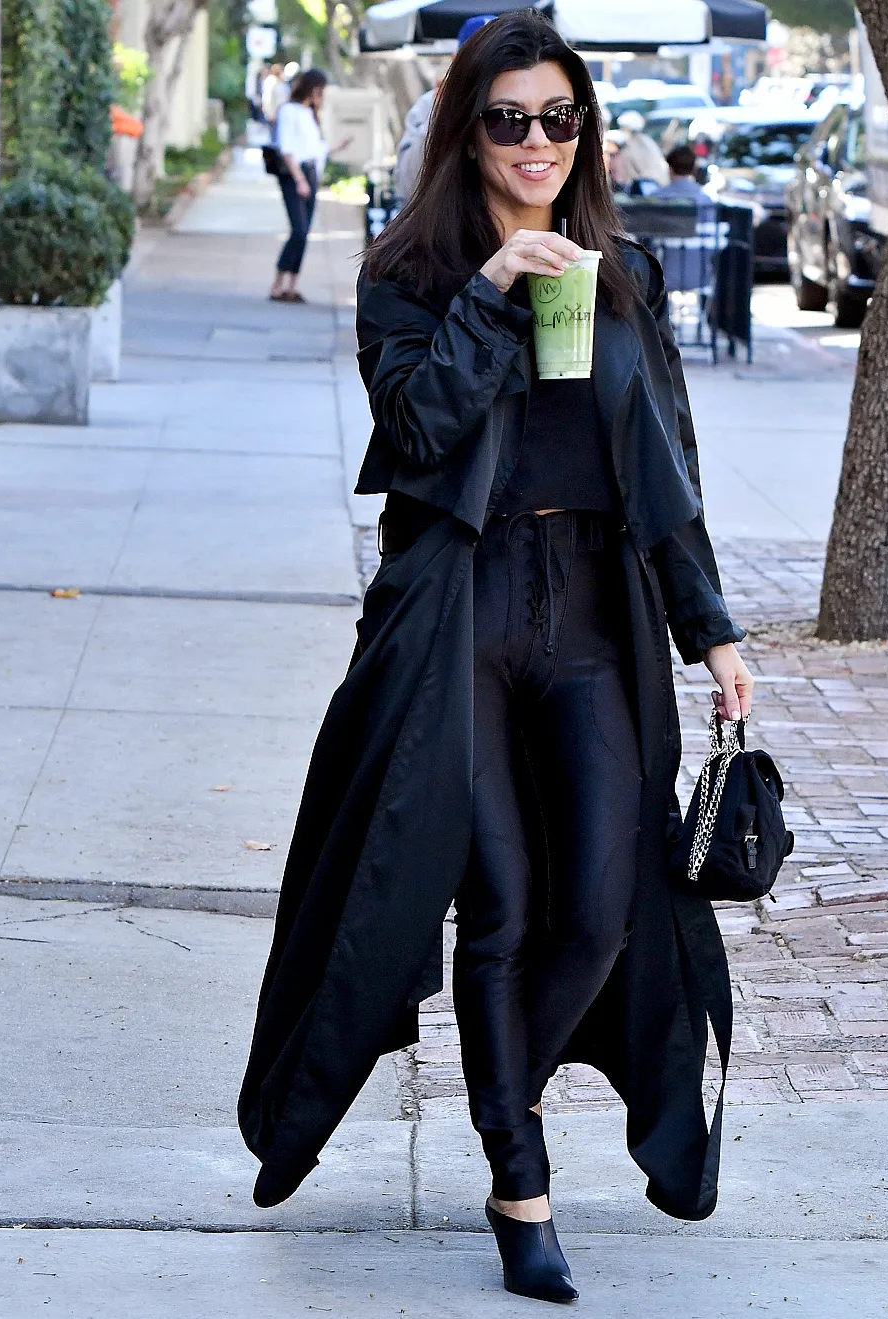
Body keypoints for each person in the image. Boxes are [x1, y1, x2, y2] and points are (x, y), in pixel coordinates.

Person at [238, 10, 754, 1306]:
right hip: (457, 615)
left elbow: (667, 468)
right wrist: (493, 288)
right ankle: (519, 1184)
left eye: (558, 117)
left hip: (593, 613)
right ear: (467, 130)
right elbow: (416, 432)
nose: (536, 140)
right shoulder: (406, 274)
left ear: (584, 130)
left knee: (601, 902)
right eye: (509, 118)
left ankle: (501, 1083)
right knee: (504, 903)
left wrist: (710, 626)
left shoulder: (625, 272)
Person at [393, 14, 497, 202]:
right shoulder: (429, 105)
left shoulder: (523, 104)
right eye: (478, 58)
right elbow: (407, 185)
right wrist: (439, 114)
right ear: (456, 60)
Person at [269, 69, 328, 303]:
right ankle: (277, 282)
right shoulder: (288, 111)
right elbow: (287, 149)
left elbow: (314, 148)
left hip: (310, 173)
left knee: (305, 233)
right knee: (299, 230)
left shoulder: (310, 114)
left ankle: (292, 284)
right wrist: (300, 179)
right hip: (295, 175)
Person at [609, 109, 670, 192]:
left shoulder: (635, 143)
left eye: (623, 128)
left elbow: (637, 167)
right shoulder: (644, 140)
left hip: (649, 184)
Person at [261, 62, 290, 126]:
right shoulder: (271, 82)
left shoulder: (283, 83)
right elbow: (267, 99)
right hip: (274, 115)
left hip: (283, 113)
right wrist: (271, 114)